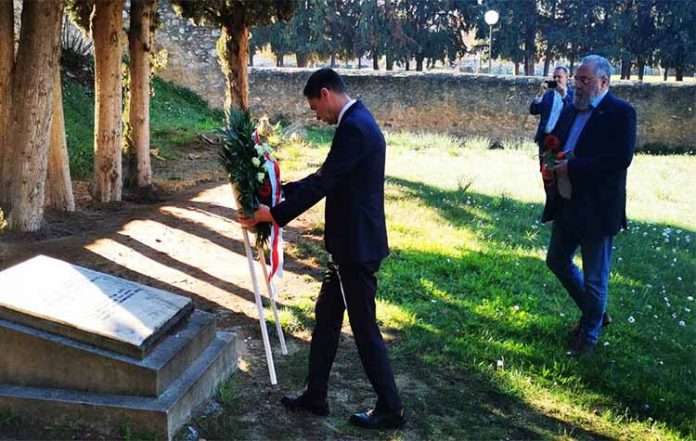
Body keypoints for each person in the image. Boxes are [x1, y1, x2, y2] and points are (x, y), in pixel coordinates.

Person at [239, 68, 405, 429]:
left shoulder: (355, 127)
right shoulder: (357, 121)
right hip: (349, 247)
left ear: (326, 93)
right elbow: (328, 177)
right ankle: (316, 395)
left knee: (364, 329)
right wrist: (282, 191)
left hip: (356, 250)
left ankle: (391, 408)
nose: (317, 116)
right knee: (327, 321)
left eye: (315, 107)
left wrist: (275, 214)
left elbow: (325, 181)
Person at [541, 55, 636, 356]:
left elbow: (620, 158)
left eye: (584, 80)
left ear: (603, 82)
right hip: (567, 201)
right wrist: (549, 162)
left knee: (595, 278)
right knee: (557, 260)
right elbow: (555, 141)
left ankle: (589, 337)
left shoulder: (621, 112)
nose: (578, 85)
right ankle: (596, 314)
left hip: (597, 208)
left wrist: (572, 166)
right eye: (577, 79)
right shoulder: (572, 107)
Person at [530, 65, 574, 146]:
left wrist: (563, 94)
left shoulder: (573, 95)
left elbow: (572, 111)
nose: (556, 79)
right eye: (554, 77)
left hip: (562, 139)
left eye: (559, 77)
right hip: (544, 138)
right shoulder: (547, 95)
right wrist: (540, 94)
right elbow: (533, 110)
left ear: (566, 78)